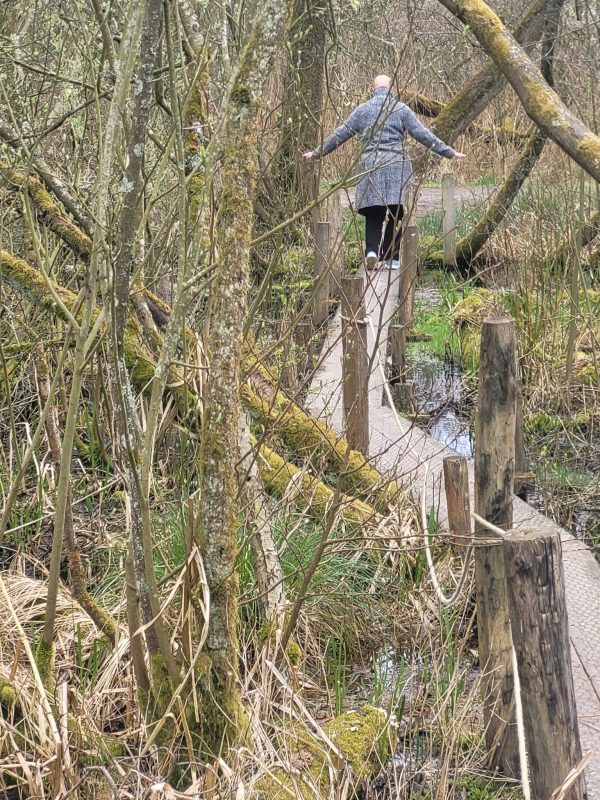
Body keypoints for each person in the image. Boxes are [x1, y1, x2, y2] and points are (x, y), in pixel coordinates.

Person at [304, 74, 466, 269]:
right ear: (392, 89)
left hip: (370, 165)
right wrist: (447, 151)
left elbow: (341, 134)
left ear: (373, 89)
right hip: (397, 164)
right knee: (394, 210)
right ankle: (392, 258)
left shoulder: (362, 110)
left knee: (373, 210)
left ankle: (371, 251)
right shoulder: (401, 109)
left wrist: (317, 152)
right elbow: (422, 134)